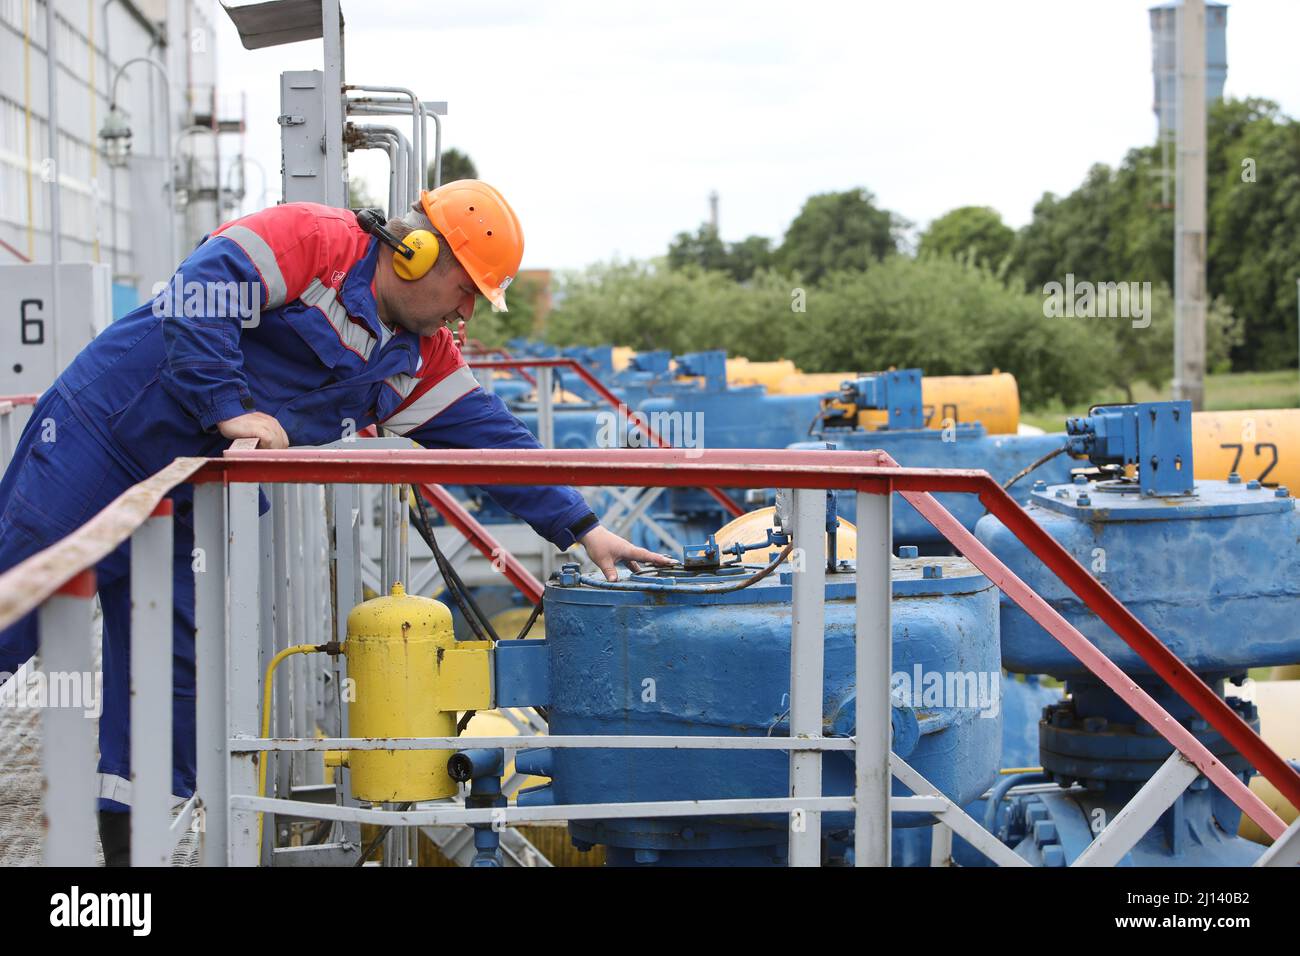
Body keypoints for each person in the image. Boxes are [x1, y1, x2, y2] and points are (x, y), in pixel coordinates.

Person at [0, 179, 672, 863]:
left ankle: (126, 861)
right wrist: (228, 404)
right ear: (414, 253)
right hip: (103, 435)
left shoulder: (416, 361)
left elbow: (494, 444)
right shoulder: (312, 240)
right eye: (466, 288)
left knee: (168, 674)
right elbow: (200, 288)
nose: (467, 312)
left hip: (195, 496)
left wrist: (582, 524)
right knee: (18, 603)